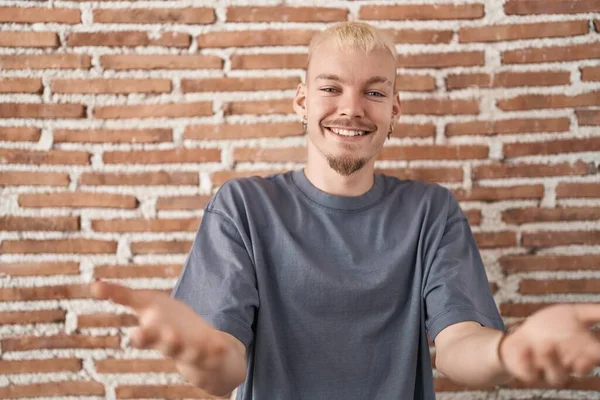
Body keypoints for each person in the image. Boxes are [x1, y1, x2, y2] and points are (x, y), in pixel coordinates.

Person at [90, 22, 600, 399]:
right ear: (301, 101)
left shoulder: (432, 212)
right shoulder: (243, 207)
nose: (351, 107)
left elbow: (459, 343)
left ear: (394, 109)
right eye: (331, 88)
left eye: (373, 92)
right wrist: (197, 356)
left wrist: (509, 352)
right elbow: (223, 364)